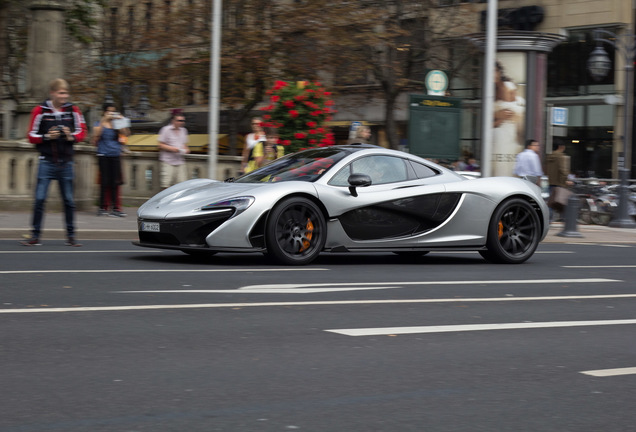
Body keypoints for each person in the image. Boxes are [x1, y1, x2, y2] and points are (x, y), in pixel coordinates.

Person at [22, 78, 87, 246]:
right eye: (61, 93)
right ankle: (35, 236)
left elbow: (82, 133)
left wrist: (69, 135)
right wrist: (46, 137)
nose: (64, 96)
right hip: (47, 161)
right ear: (53, 93)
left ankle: (71, 237)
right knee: (39, 199)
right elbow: (31, 136)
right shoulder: (40, 110)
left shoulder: (73, 110)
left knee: (69, 201)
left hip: (66, 162)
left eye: (66, 93)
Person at [92, 103, 130, 217]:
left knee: (115, 182)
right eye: (109, 111)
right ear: (104, 112)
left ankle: (115, 209)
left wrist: (122, 121)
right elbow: (96, 134)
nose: (111, 114)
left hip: (115, 154)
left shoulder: (116, 124)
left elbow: (126, 134)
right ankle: (102, 207)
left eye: (113, 111)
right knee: (104, 182)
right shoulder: (99, 123)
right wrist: (104, 120)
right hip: (103, 154)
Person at [493, 61, 525, 176]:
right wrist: (498, 119)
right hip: (499, 132)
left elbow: (514, 111)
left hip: (508, 132)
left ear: (499, 72)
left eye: (495, 71)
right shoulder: (490, 91)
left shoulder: (506, 86)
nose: (493, 74)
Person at [158, 113, 190, 189]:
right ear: (173, 121)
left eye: (183, 120)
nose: (181, 122)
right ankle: (165, 200)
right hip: (168, 161)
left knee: (183, 184)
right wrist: (173, 149)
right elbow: (160, 145)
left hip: (180, 161)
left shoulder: (184, 130)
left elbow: (184, 145)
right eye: (179, 120)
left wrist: (186, 149)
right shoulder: (166, 129)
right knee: (166, 184)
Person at [546, 141, 571, 219]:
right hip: (559, 183)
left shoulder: (549, 156)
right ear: (561, 147)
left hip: (550, 182)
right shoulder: (561, 157)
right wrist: (566, 180)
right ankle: (565, 219)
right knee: (562, 202)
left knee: (551, 201)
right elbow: (563, 170)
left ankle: (549, 218)